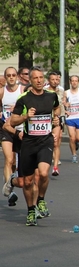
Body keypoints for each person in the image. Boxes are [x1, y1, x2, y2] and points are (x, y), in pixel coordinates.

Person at [10, 66, 60, 226]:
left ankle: (41, 200)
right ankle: (31, 209)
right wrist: (26, 116)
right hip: (29, 143)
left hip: (45, 141)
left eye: (41, 77)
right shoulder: (24, 98)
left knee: (44, 173)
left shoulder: (52, 96)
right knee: (27, 181)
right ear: (30, 80)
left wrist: (57, 120)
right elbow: (13, 120)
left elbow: (57, 108)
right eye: (35, 78)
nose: (39, 80)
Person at [1, 67, 24, 205]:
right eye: (8, 75)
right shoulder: (2, 92)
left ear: (17, 77)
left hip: (20, 130)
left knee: (15, 163)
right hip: (6, 129)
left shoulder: (22, 91)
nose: (11, 77)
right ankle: (10, 193)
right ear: (5, 77)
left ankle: (9, 183)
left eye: (13, 75)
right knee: (9, 160)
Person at [63, 75, 79, 164]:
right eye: (72, 81)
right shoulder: (66, 92)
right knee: (72, 137)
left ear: (78, 82)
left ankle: (76, 143)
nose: (74, 82)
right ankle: (74, 155)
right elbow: (63, 102)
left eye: (76, 81)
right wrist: (65, 106)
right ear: (70, 82)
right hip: (70, 117)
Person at [45, 72, 65, 176]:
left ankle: (55, 167)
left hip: (57, 119)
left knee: (56, 143)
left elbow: (61, 104)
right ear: (49, 80)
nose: (55, 81)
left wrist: (62, 114)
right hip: (46, 119)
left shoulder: (61, 91)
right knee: (46, 142)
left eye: (56, 79)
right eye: (52, 79)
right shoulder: (45, 91)